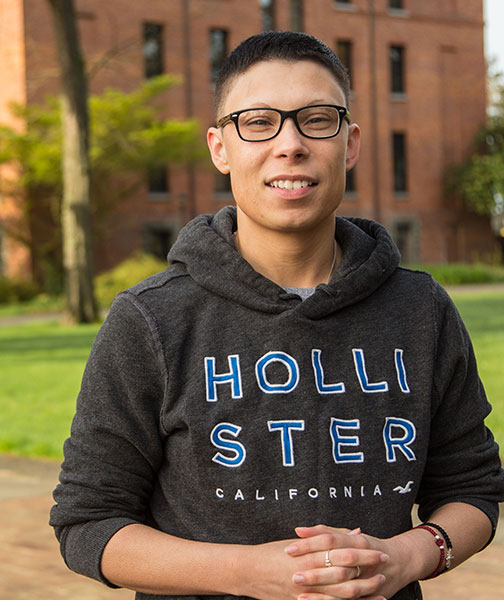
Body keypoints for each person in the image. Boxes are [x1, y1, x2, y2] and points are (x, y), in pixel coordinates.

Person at [50, 31, 504, 600]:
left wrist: (407, 555)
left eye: (317, 119)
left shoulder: (420, 309)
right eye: (259, 122)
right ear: (220, 148)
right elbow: (88, 525)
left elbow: (474, 489)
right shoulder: (152, 319)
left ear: (351, 143)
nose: (289, 144)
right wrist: (248, 574)